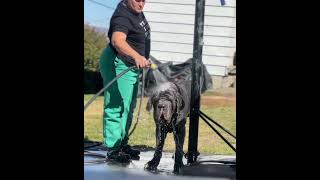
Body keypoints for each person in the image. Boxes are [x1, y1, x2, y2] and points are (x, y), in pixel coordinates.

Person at [99, 0, 151, 163]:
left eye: (144, 0)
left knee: (128, 106)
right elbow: (118, 40)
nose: (141, 4)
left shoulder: (134, 10)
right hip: (118, 62)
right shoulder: (123, 14)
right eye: (137, 0)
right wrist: (137, 56)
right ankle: (113, 148)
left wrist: (143, 57)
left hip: (129, 65)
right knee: (116, 104)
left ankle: (122, 143)